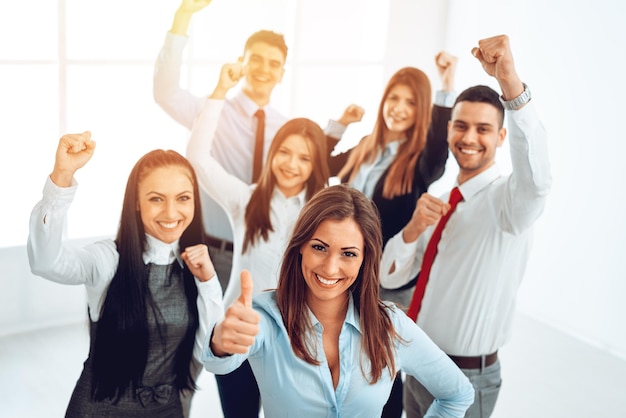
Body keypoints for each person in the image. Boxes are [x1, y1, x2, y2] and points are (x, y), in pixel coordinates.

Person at [380, 35, 552, 418]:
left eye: (483, 129)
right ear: (448, 131)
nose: (469, 138)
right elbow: (389, 278)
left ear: (501, 137)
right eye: (460, 126)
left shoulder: (511, 203)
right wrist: (411, 231)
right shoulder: (441, 201)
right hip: (419, 365)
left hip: (466, 379)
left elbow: (538, 179)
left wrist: (510, 83)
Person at [202, 184, 475, 418]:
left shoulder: (391, 326)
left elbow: (457, 394)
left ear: (365, 258)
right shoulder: (267, 316)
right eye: (319, 247)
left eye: (348, 254)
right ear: (300, 246)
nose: (331, 268)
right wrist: (222, 342)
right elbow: (219, 362)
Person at [154, 0, 360, 293]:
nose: (264, 69)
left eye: (274, 63)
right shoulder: (211, 108)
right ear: (242, 60)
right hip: (210, 245)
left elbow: (310, 158)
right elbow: (166, 93)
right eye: (257, 59)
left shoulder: (285, 128)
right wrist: (182, 19)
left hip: (269, 253)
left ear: (282, 73)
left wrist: (338, 127)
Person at [27, 132, 223, 417]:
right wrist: (62, 176)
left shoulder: (197, 266)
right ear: (136, 202)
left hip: (167, 410)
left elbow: (207, 351)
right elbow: (46, 262)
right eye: (156, 199)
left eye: (183, 198)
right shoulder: (108, 259)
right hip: (99, 409)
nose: (171, 212)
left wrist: (208, 282)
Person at [186, 64, 330, 415]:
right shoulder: (247, 200)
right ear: (272, 153)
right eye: (285, 152)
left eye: (304, 158)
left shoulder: (325, 212)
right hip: (239, 337)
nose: (291, 164)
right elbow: (198, 159)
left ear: (316, 165)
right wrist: (219, 92)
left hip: (297, 344)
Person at [326, 52, 457, 417]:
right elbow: (321, 162)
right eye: (394, 99)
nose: (399, 108)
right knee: (345, 355)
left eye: (410, 102)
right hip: (349, 271)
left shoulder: (421, 158)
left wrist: (446, 85)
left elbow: (438, 148)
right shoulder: (369, 144)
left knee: (382, 363)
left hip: (389, 279)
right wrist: (340, 124)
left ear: (423, 111)